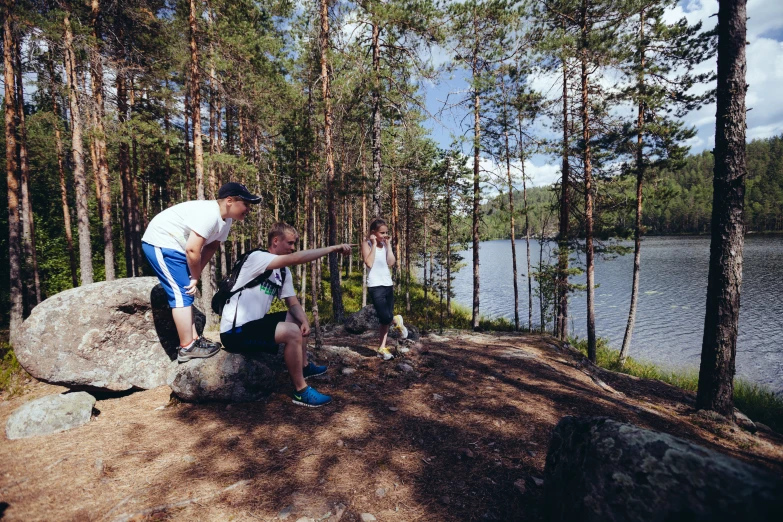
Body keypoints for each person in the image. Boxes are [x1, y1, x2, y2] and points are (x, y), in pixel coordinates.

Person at [219, 222, 351, 408]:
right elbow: (298, 258)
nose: (292, 247)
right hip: (235, 332)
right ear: (275, 241)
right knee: (291, 331)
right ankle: (301, 391)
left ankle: (304, 367)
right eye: (289, 243)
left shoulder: (282, 271)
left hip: (255, 325)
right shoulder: (257, 258)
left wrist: (305, 321)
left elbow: (292, 302)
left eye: (293, 244)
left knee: (297, 319)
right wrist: (332, 248)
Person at [142, 182, 261, 363]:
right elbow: (192, 249)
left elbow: (211, 246)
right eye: (246, 204)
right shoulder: (210, 215)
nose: (248, 209)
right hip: (162, 242)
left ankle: (195, 340)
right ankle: (187, 347)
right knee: (181, 294)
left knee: (186, 294)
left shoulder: (225, 220)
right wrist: (195, 276)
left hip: (176, 247)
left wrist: (193, 274)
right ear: (230, 201)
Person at [361, 218, 396, 360]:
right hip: (375, 285)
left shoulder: (386, 244)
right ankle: (397, 320)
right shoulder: (367, 243)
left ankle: (382, 347)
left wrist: (389, 246)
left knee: (384, 321)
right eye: (382, 233)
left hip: (388, 284)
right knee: (386, 316)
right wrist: (374, 244)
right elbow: (369, 263)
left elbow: (391, 262)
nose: (385, 235)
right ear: (373, 233)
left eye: (386, 232)